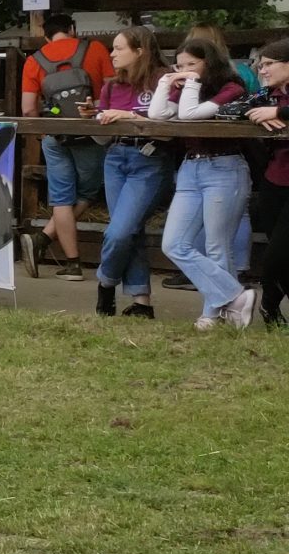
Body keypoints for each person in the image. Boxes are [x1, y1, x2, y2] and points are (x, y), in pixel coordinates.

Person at [150, 30, 256, 330]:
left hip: (225, 168)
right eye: (179, 66)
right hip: (190, 168)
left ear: (209, 63)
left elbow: (190, 114)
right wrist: (164, 83)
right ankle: (235, 298)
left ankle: (214, 312)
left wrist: (190, 85)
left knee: (217, 246)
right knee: (174, 243)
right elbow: (159, 114)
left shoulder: (231, 87)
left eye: (191, 65)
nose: (183, 72)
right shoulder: (184, 86)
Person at [22, 10, 112, 277]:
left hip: (54, 134)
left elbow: (28, 109)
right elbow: (110, 94)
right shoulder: (95, 49)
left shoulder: (34, 61)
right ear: (72, 29)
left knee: (61, 198)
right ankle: (42, 239)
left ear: (46, 35)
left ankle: (72, 263)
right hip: (91, 133)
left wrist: (43, 132)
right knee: (87, 194)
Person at [91, 25, 168, 319]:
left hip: (149, 158)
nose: (112, 54)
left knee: (119, 230)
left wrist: (130, 116)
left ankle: (105, 281)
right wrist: (95, 117)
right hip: (115, 156)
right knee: (129, 229)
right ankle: (142, 301)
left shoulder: (164, 79)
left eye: (118, 48)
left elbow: (170, 123)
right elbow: (101, 134)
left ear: (140, 51)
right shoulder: (111, 85)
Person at [246, 35, 289, 327]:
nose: (262, 70)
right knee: (279, 248)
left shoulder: (277, 103)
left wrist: (279, 112)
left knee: (277, 254)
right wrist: (253, 116)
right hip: (274, 180)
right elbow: (235, 109)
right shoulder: (266, 95)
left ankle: (269, 303)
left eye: (269, 64)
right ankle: (272, 313)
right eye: (260, 65)